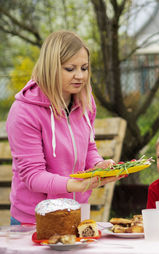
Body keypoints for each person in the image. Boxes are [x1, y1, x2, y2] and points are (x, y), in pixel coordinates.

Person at [6, 30, 123, 225]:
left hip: (75, 214)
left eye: (84, 68)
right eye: (70, 69)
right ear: (51, 68)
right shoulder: (24, 111)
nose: (80, 76)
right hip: (35, 221)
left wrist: (98, 166)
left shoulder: (86, 102)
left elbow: (89, 149)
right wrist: (76, 184)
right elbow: (33, 176)